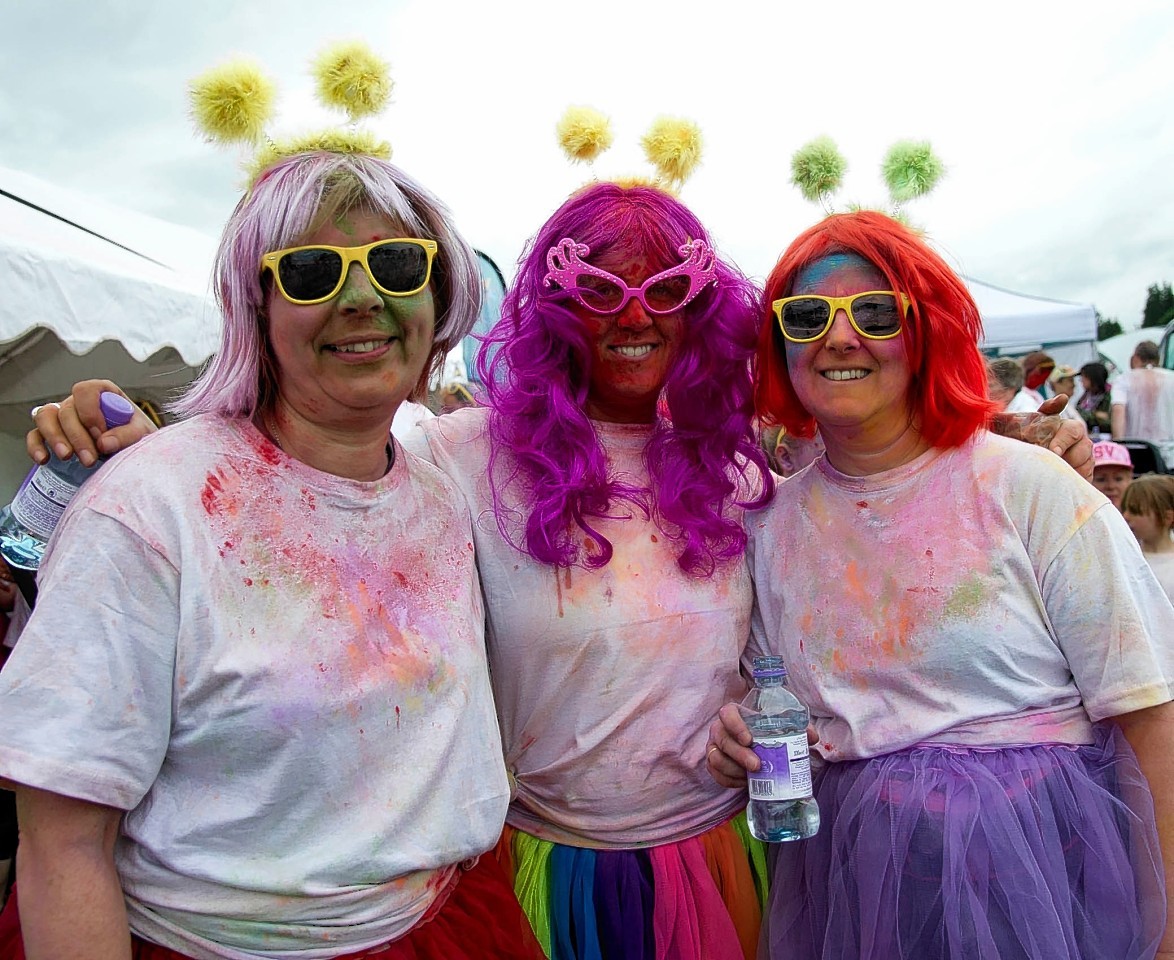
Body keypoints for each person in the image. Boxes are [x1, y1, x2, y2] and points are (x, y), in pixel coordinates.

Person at [30, 186, 1095, 960]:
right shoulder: (458, 457)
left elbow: (799, 613)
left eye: (665, 289)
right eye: (598, 288)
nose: (633, 317)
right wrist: (126, 429)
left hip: (715, 862)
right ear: (549, 307)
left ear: (702, 307)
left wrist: (747, 709)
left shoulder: (739, 475)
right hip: (537, 874)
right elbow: (303, 453)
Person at [0, 150, 543, 959]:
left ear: (437, 293)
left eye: (396, 264)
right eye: (313, 271)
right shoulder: (149, 505)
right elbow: (62, 843)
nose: (362, 299)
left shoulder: (449, 480)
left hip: (450, 925)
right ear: (255, 308)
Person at [708, 210, 1174, 960]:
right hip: (855, 891)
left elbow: (1151, 715)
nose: (839, 336)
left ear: (925, 331)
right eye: (807, 315)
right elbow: (782, 706)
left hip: (1041, 879)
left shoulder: (1029, 487)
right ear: (780, 345)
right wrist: (745, 733)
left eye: (875, 311)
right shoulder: (769, 528)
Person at [1112, 340, 1174, 465]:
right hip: (1171, 452)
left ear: (1135, 358)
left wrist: (1119, 446)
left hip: (1137, 449)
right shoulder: (1171, 377)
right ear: (1158, 359)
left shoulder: (1123, 379)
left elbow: (1118, 410)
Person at [1121, 473, 1174, 602]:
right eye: (1125, 509)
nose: (1126, 516)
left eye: (1135, 511)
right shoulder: (1124, 555)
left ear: (1167, 517)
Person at [1092, 437, 1136, 510]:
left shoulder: (1145, 517)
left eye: (1118, 479)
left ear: (1130, 479)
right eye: (1101, 479)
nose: (1111, 486)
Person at [1077, 360, 1112, 436]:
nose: (1081, 381)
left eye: (1084, 377)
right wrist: (1096, 415)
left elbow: (1108, 421)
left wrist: (1092, 415)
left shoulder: (1109, 396)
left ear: (1093, 378)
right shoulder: (1085, 396)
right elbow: (1078, 412)